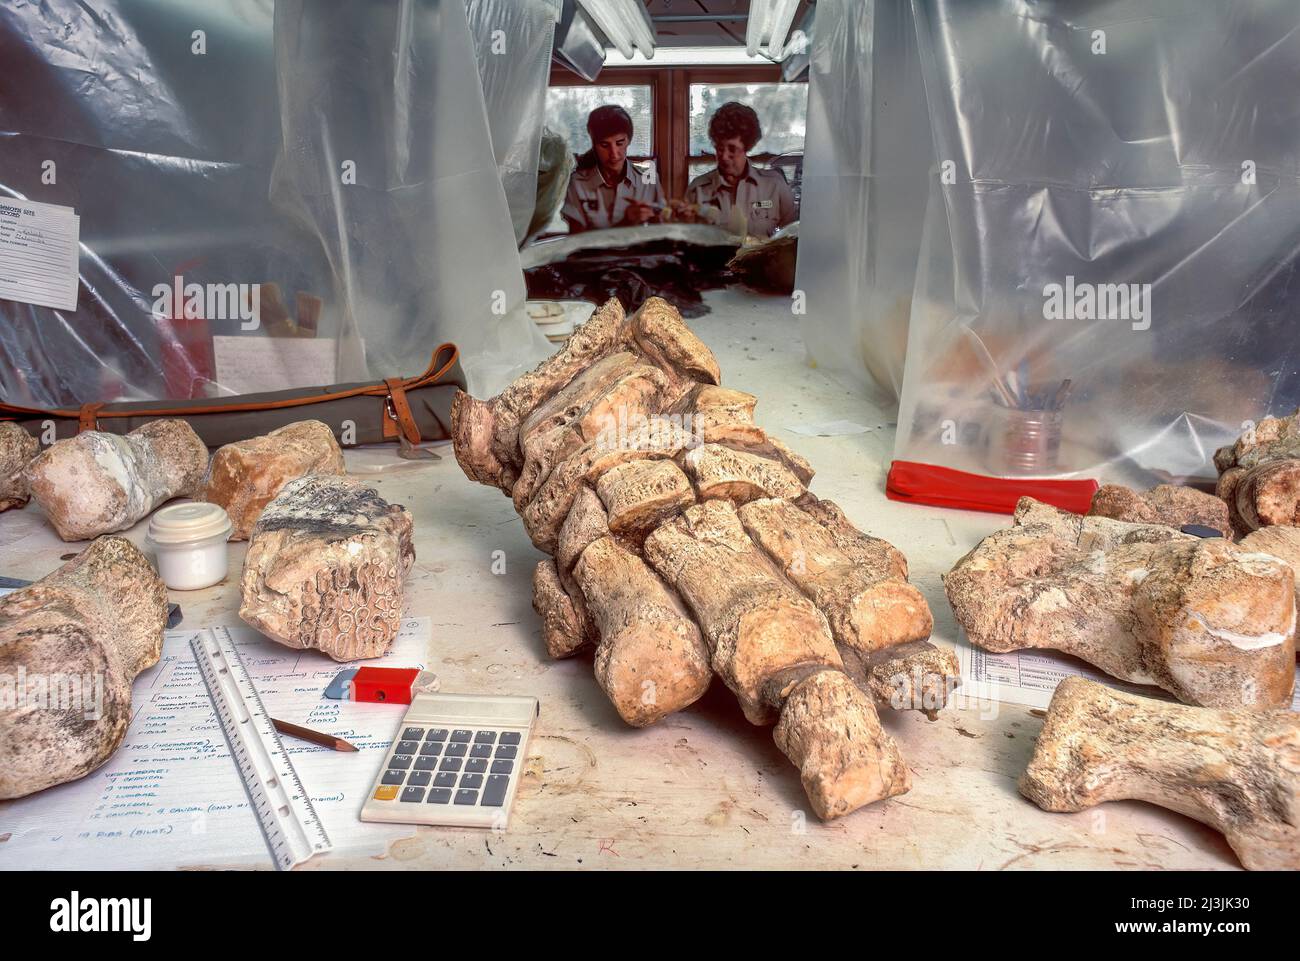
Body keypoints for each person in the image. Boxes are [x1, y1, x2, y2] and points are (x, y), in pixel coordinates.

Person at [673, 101, 797, 238]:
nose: (724, 156)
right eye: (720, 148)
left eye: (732, 149)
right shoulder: (698, 190)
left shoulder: (774, 186)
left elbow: (792, 238)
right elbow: (687, 243)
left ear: (747, 147)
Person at [561, 104, 665, 233]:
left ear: (629, 140)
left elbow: (660, 232)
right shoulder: (578, 183)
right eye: (604, 145)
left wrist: (654, 215)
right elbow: (577, 243)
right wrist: (627, 222)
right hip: (593, 253)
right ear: (594, 144)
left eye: (620, 143)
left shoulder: (648, 177)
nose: (614, 154)